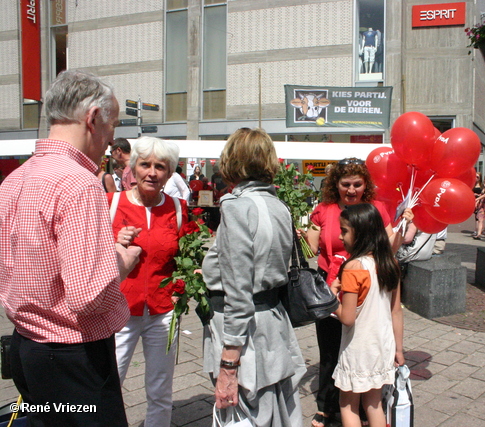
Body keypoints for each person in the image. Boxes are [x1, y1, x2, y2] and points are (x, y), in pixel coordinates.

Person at [0, 69, 141, 426]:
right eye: (113, 125)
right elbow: (88, 295)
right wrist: (121, 261)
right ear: (93, 118)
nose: (112, 138)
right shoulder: (78, 183)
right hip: (72, 356)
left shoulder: (16, 178)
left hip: (26, 346)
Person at [201, 128, 305, 426]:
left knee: (247, 411)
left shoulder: (236, 206)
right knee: (275, 410)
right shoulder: (279, 206)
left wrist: (229, 364)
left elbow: (238, 287)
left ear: (232, 160)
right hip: (272, 320)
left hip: (244, 330)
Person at [302, 158, 410, 427]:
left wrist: (403, 227)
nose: (351, 189)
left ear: (366, 185)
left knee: (353, 351)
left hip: (359, 289)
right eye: (345, 184)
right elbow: (312, 250)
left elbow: (387, 249)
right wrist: (304, 235)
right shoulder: (324, 210)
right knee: (329, 354)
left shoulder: (376, 210)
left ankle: (355, 409)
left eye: (357, 184)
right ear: (335, 185)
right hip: (332, 289)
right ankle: (327, 406)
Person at [109, 136, 188, 427]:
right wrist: (113, 242)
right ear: (133, 167)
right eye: (145, 165)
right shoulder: (112, 204)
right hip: (119, 312)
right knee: (109, 382)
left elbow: (184, 259)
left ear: (169, 173)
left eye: (160, 166)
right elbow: (87, 254)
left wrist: (180, 292)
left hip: (162, 312)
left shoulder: (178, 209)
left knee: (160, 388)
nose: (152, 172)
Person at [329, 203, 404, 427]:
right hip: (382, 345)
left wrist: (331, 297)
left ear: (360, 233)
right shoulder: (390, 263)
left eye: (344, 231)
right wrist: (399, 349)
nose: (340, 236)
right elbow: (396, 311)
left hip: (359, 347)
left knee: (348, 403)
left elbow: (348, 317)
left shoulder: (353, 267)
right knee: (373, 403)